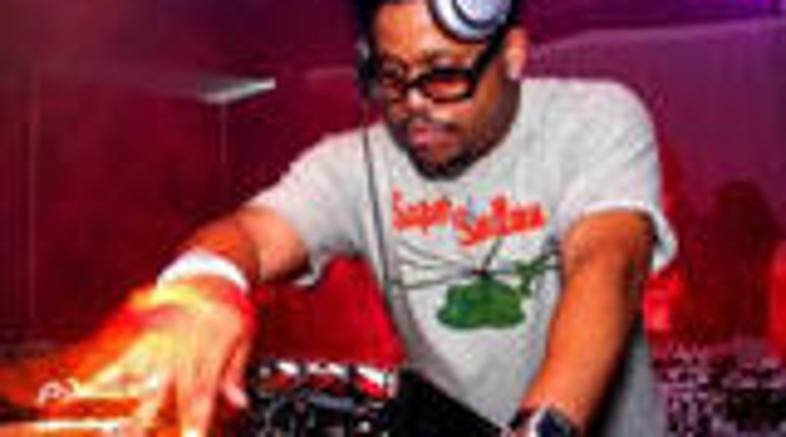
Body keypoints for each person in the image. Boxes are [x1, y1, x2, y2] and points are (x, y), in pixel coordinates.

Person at [76, 0, 677, 435]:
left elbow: (608, 265)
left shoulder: (595, 119)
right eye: (391, 76)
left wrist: (544, 428)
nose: (413, 104)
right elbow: (251, 235)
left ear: (512, 55)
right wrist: (204, 287)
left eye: (443, 73)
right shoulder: (353, 163)